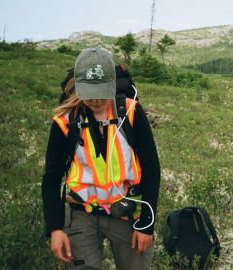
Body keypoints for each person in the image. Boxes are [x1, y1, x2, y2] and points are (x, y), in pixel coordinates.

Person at [42, 47, 160, 270]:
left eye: (102, 91)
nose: (95, 100)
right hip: (83, 214)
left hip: (128, 212)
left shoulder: (131, 113)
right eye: (88, 92)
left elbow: (152, 169)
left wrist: (146, 225)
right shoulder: (64, 122)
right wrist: (55, 228)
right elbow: (52, 178)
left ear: (113, 82)